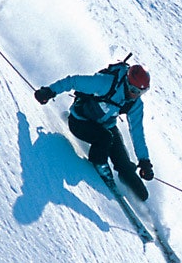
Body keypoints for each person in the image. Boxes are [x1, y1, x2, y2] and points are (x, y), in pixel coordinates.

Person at [34, 61, 154, 201]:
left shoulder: (135, 104)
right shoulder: (105, 83)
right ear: (127, 82)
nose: (136, 95)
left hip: (105, 126)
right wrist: (49, 91)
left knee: (127, 169)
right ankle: (100, 165)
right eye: (134, 91)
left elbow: (137, 132)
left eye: (142, 92)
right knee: (105, 138)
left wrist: (144, 160)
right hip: (80, 122)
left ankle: (143, 202)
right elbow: (73, 81)